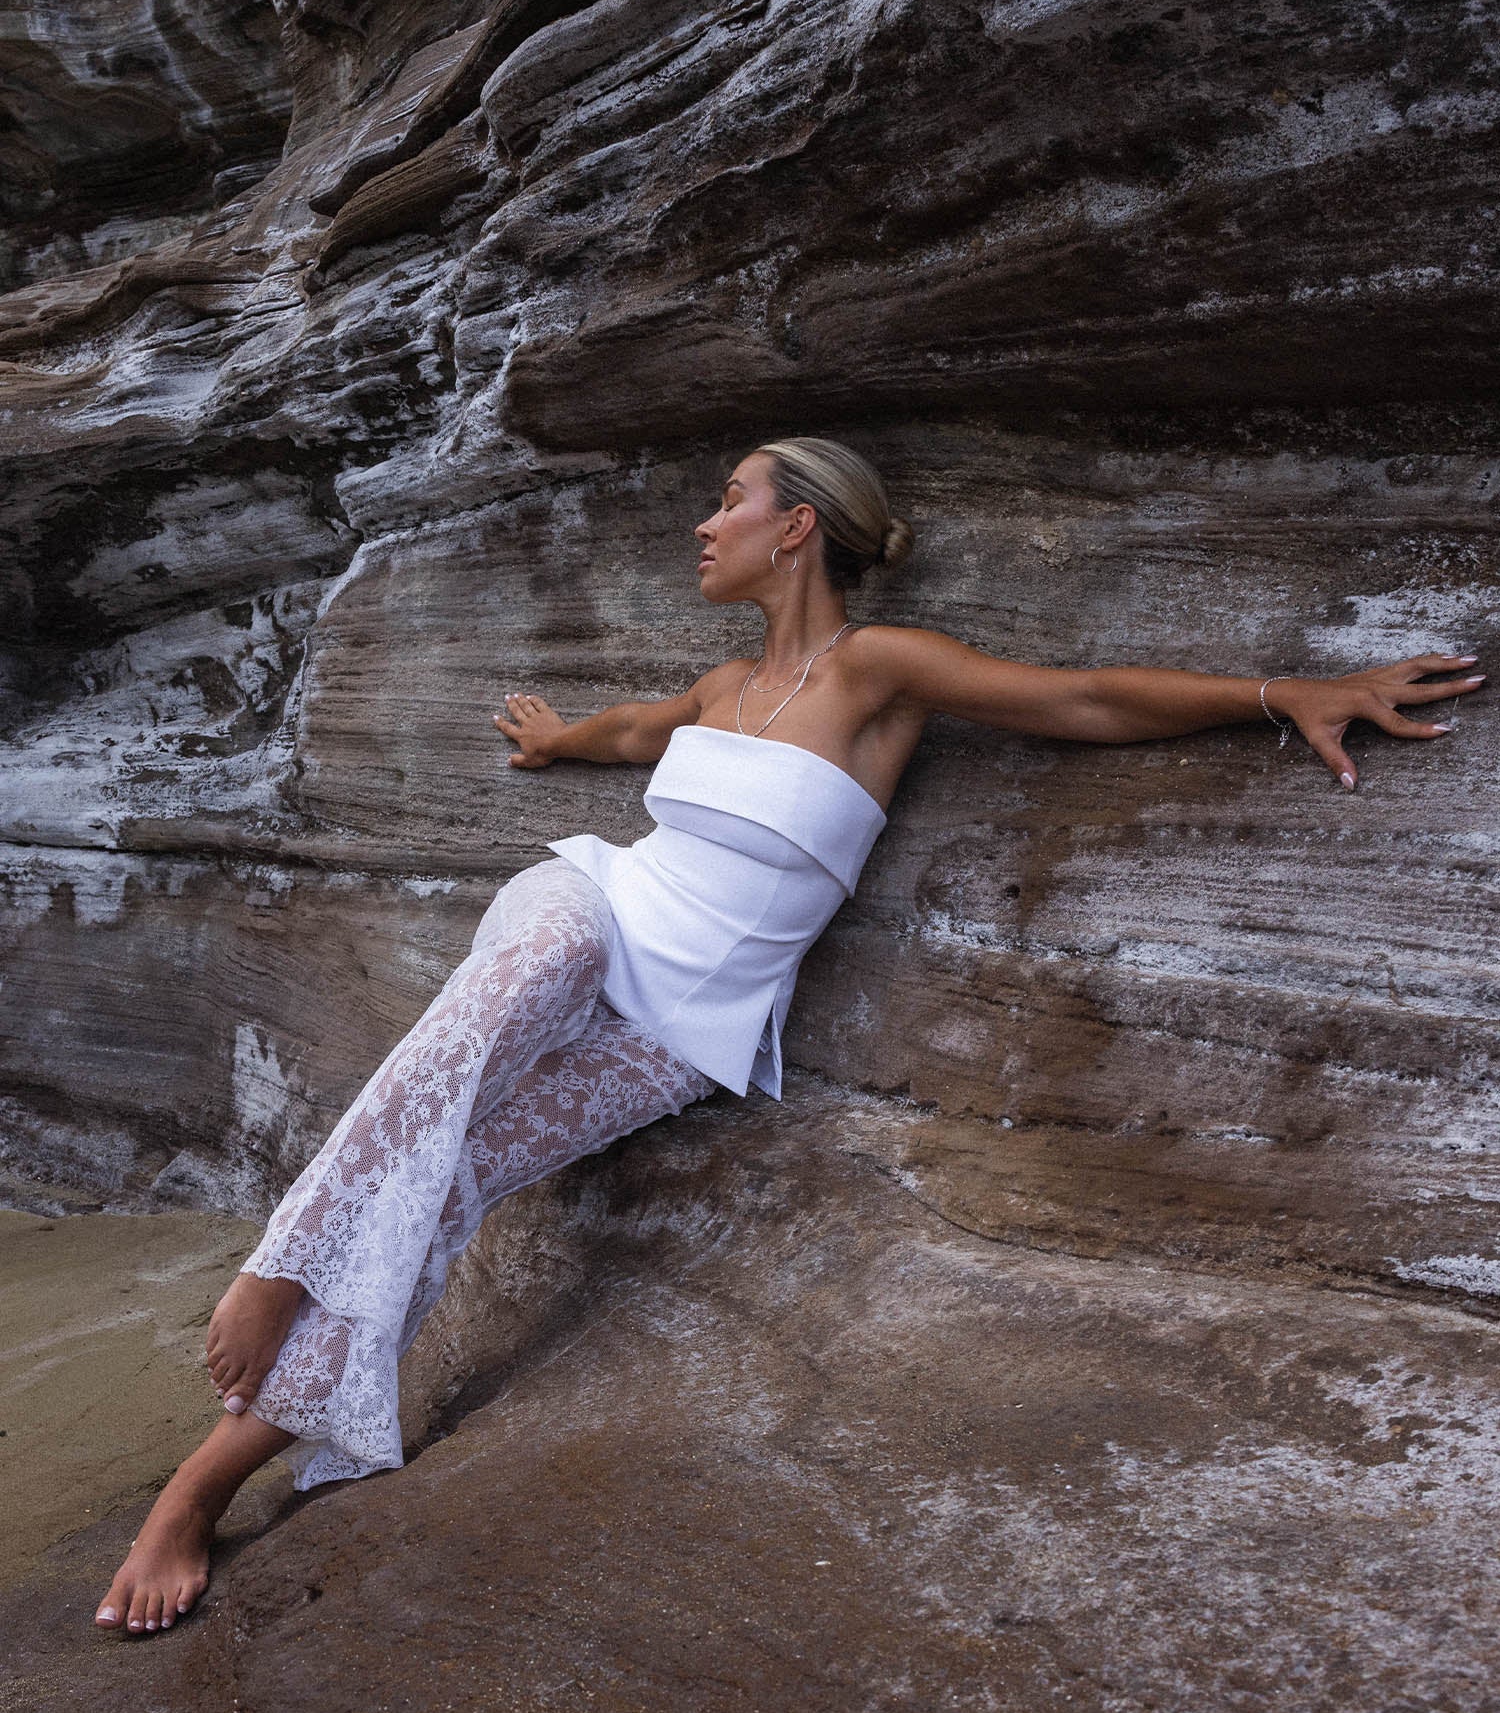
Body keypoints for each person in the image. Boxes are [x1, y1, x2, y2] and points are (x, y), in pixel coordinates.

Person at [94, 436, 1483, 1635]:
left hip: (687, 1026)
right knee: (473, 1033)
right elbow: (640, 732)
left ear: (795, 523)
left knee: (448, 1183)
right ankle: (281, 1269)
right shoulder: (717, 685)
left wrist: (1277, 696)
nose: (705, 525)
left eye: (728, 500)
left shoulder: (876, 670)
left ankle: (210, 1482)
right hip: (594, 906)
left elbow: (1078, 697)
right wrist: (560, 738)